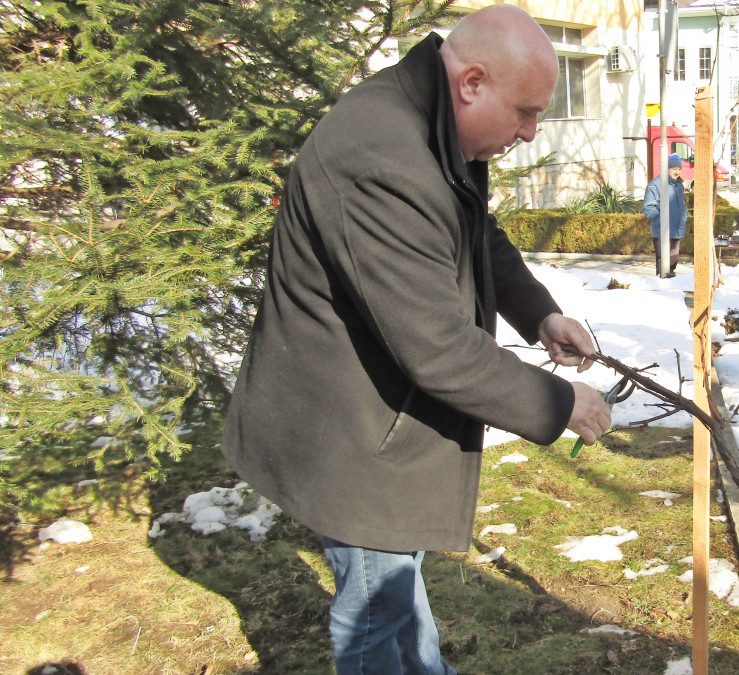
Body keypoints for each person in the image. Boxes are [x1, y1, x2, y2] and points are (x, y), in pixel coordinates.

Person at [219, 7, 612, 673]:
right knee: (380, 611)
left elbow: (472, 232)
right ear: (473, 83)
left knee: (396, 597)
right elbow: (438, 348)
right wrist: (557, 402)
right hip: (350, 434)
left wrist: (537, 314)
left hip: (379, 415)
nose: (530, 131)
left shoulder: (427, 125)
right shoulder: (382, 155)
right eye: (524, 112)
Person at [643, 153, 687, 277]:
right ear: (666, 168)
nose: (677, 172)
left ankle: (671, 290)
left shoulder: (678, 186)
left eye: (679, 169)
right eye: (674, 169)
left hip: (676, 231)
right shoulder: (656, 185)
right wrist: (662, 222)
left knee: (671, 267)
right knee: (663, 268)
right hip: (663, 232)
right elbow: (648, 207)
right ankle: (662, 290)